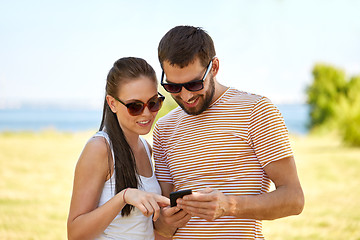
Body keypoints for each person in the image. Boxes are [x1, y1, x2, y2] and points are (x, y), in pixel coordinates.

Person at [152, 26, 305, 239]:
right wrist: (163, 221)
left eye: (194, 84)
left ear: (214, 67)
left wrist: (229, 206)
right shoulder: (164, 128)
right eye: (174, 87)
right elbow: (163, 219)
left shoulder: (256, 110)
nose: (185, 96)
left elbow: (294, 199)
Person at [67, 57, 170, 240]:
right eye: (135, 106)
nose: (147, 113)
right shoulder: (100, 149)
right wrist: (124, 197)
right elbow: (75, 233)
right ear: (112, 103)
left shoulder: (146, 148)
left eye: (154, 102)